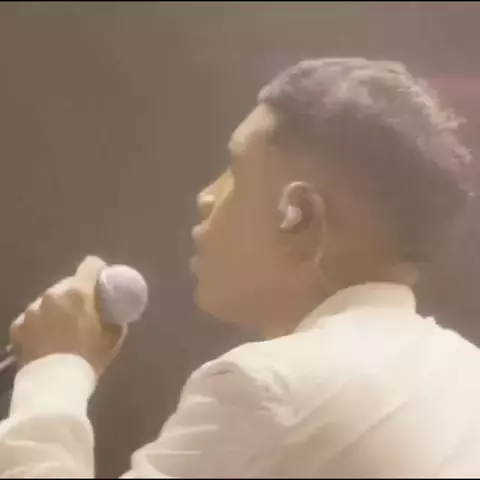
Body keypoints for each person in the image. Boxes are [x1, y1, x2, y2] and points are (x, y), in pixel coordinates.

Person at [0, 58, 478, 478]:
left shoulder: (269, 388)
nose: (206, 196)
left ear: (299, 215)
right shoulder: (466, 375)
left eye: (234, 170)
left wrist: (55, 370)